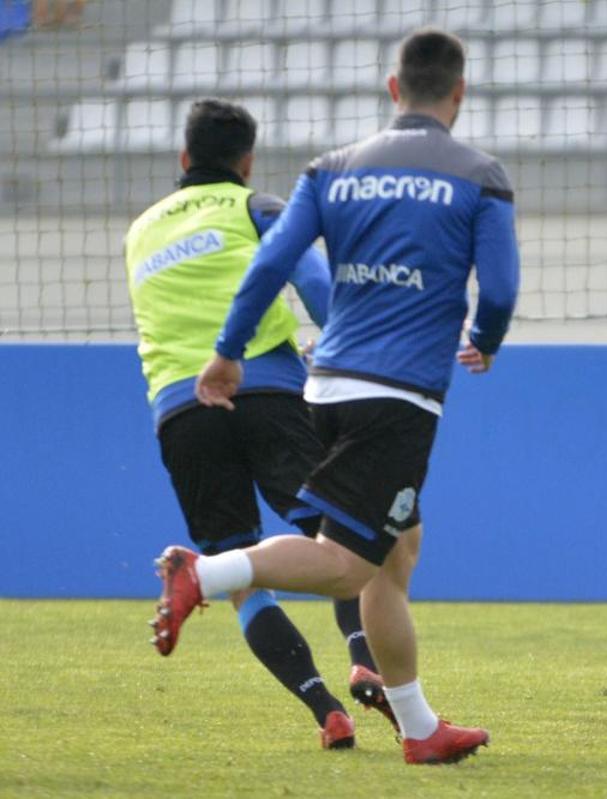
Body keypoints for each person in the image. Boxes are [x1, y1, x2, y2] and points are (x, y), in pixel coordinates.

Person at [152, 29, 519, 764]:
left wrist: (227, 352)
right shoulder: (480, 176)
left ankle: (419, 727)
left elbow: (271, 265)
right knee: (349, 564)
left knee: (396, 550)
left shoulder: (331, 169)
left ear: (392, 88)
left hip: (322, 386)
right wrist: (486, 337)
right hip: (398, 393)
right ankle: (205, 572)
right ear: (459, 93)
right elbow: (502, 287)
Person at [126, 98, 397, 749]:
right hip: (266, 391)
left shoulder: (139, 231)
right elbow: (315, 283)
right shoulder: (257, 207)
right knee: (340, 541)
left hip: (179, 411)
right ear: (246, 161)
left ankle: (326, 711)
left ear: (183, 157)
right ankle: (363, 656)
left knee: (239, 571)